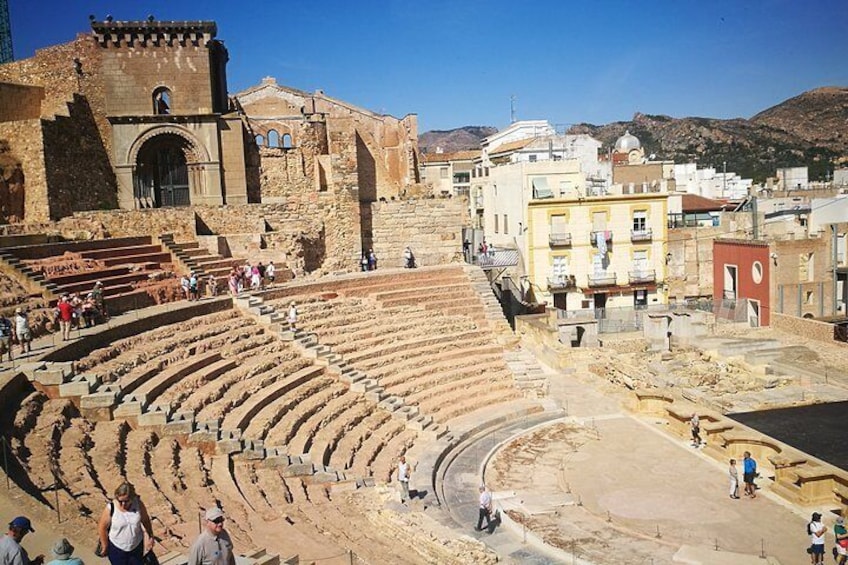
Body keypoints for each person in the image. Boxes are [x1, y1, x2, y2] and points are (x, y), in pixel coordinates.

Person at [97, 482, 154, 565]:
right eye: (120, 501)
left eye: (126, 501)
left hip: (136, 547)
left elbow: (145, 520)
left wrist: (150, 536)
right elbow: (102, 527)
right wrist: (105, 545)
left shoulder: (138, 504)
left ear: (132, 498)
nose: (123, 504)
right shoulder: (111, 508)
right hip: (117, 548)